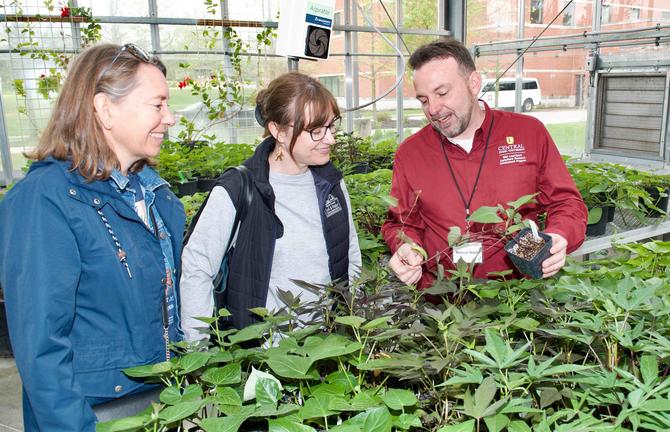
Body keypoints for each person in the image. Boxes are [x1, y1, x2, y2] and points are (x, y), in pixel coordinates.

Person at [0, 43, 183, 430]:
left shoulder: (154, 198)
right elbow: (42, 349)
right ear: (104, 109)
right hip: (91, 415)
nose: (170, 117)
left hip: (157, 403)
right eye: (158, 104)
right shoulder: (45, 201)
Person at [381, 38, 587, 288]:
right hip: (440, 299)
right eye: (423, 100)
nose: (433, 109)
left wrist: (559, 235)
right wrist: (407, 246)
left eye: (442, 93)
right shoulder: (411, 153)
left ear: (473, 84)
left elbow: (566, 202)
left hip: (516, 295)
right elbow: (401, 223)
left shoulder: (528, 133)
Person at [180, 72, 362, 341]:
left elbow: (350, 255)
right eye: (316, 131)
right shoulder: (240, 188)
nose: (330, 139)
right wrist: (200, 353)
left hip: (328, 349)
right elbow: (197, 268)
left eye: (332, 126)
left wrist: (353, 329)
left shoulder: (331, 183)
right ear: (277, 130)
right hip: (264, 357)